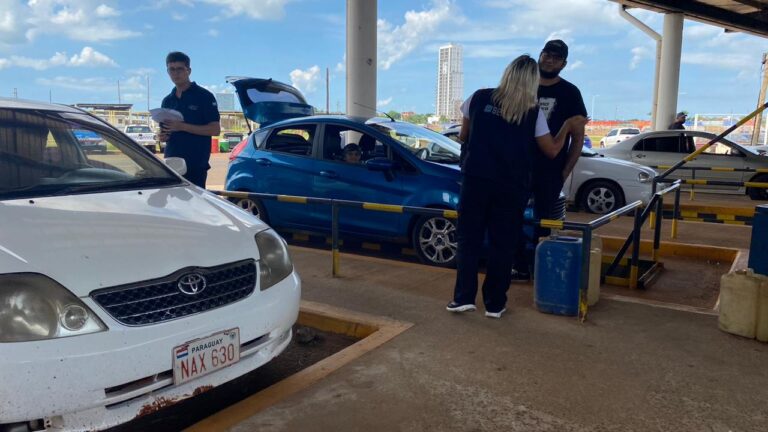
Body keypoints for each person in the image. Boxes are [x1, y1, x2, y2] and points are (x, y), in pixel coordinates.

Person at [446, 55, 588, 318]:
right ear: (532, 81)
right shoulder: (534, 113)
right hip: (511, 187)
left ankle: (463, 298)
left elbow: (464, 135)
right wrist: (568, 125)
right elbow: (552, 151)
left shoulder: (477, 98)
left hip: (475, 181)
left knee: (469, 239)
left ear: (507, 73)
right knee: (503, 243)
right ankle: (495, 304)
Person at [511, 39, 588, 282]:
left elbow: (577, 137)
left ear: (564, 63)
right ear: (540, 55)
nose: (550, 60)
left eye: (556, 57)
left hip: (550, 170)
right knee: (510, 216)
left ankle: (541, 271)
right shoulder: (524, 88)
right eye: (547, 54)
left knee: (544, 224)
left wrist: (564, 172)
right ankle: (519, 267)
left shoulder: (570, 93)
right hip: (518, 167)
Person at [158, 51, 221, 188]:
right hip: (171, 164)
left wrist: (182, 126)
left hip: (195, 165)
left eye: (180, 69)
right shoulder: (167, 101)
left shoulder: (204, 96)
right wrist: (163, 136)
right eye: (171, 70)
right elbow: (166, 132)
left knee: (194, 207)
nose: (176, 73)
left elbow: (215, 129)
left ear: (189, 70)